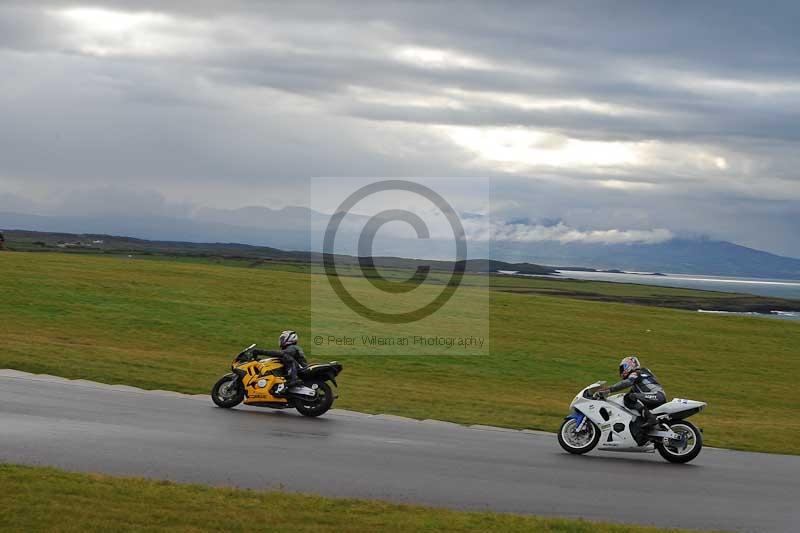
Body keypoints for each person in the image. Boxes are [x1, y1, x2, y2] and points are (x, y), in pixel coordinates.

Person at [595, 355, 666, 428]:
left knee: (629, 397)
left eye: (622, 368)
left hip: (657, 395)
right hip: (655, 396)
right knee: (628, 399)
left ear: (629, 365)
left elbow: (627, 382)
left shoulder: (637, 373)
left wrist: (609, 389)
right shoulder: (638, 382)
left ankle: (651, 418)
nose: (621, 371)